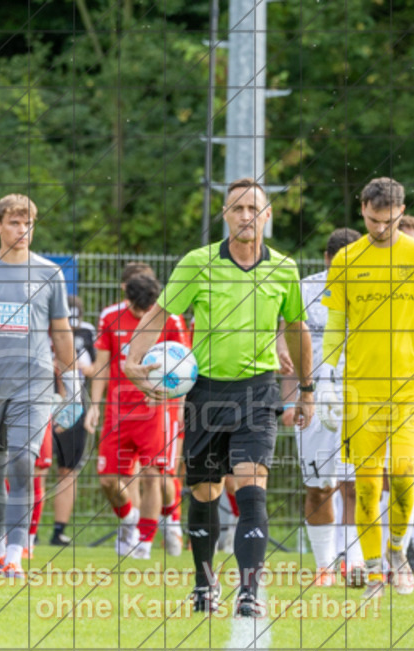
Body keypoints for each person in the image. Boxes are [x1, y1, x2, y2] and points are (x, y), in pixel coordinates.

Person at [124, 178, 315, 618]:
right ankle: (204, 582)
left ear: (267, 215)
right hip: (205, 392)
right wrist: (132, 358)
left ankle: (249, 592)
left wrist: (306, 392)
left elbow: (296, 329)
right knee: (205, 492)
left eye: (254, 208)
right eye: (237, 209)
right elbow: (159, 313)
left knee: (251, 487)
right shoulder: (198, 263)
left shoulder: (284, 269)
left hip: (258, 392)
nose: (246, 215)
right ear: (226, 216)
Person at [317, 177, 414, 601]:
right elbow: (336, 324)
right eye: (375, 220)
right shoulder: (346, 259)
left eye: (391, 221)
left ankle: (398, 551)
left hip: (411, 389)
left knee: (402, 476)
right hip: (360, 390)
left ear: (402, 212)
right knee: (365, 486)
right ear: (362, 209)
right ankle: (375, 566)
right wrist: (327, 374)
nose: (382, 228)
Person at [0, 194, 79, 579]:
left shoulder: (49, 274)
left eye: (28, 223)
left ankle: (15, 553)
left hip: (32, 386)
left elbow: (61, 334)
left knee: (22, 461)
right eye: (14, 223)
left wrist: (73, 385)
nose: (22, 230)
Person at [85, 272, 189, 559]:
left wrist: (177, 404)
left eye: (149, 308)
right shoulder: (110, 317)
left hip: (156, 408)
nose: (145, 315)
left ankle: (146, 540)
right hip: (118, 410)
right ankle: (129, 520)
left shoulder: (170, 319)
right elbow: (101, 365)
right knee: (108, 479)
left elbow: (184, 365)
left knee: (154, 476)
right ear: (127, 299)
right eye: (139, 309)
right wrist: (94, 405)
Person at [289, 227, 363, 585]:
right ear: (326, 260)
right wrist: (295, 396)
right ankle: (324, 566)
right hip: (314, 399)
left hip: (360, 400)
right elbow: (286, 341)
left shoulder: (375, 291)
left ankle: (354, 561)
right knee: (318, 485)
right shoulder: (304, 289)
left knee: (355, 484)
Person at [46, 294, 96, 547]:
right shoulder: (41, 326)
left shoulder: (86, 332)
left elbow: (96, 368)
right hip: (41, 404)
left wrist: (69, 365)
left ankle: (58, 530)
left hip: (73, 406)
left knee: (68, 471)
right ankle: (23, 531)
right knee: (30, 467)